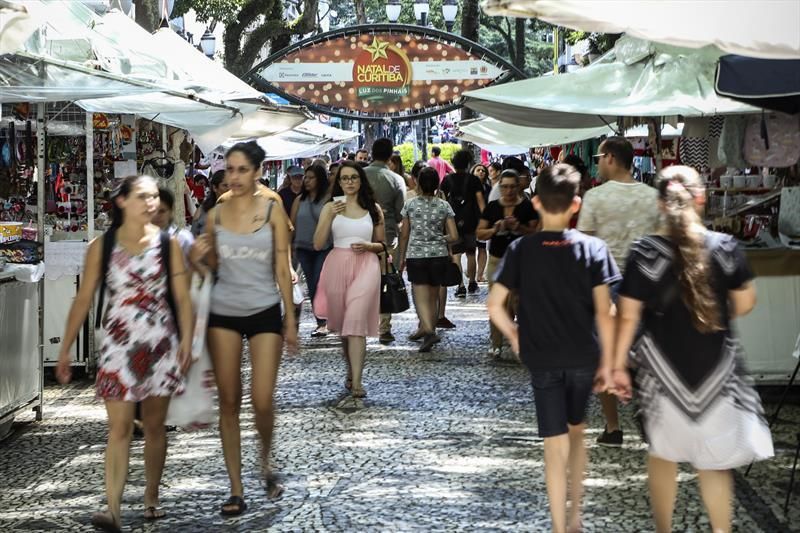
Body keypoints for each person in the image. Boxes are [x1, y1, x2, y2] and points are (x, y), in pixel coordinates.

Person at [611, 166, 772, 533]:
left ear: (660, 204)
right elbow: (746, 302)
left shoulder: (644, 252)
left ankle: (664, 530)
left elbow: (627, 314)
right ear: (701, 198)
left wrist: (619, 365)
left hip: (659, 372)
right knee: (714, 464)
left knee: (663, 455)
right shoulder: (727, 248)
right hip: (716, 369)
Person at [56, 174, 194, 532]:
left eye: (153, 198)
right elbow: (83, 299)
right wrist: (66, 348)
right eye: (142, 197)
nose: (151, 203)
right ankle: (113, 509)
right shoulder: (101, 246)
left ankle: (151, 495)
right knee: (118, 428)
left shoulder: (168, 245)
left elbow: (182, 298)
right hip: (118, 346)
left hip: (161, 344)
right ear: (122, 202)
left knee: (153, 426)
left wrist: (188, 343)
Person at [487, 164, 618, 533]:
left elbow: (495, 304)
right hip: (583, 354)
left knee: (553, 442)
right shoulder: (594, 249)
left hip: (541, 356)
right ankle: (575, 515)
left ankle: (560, 526)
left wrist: (514, 336)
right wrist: (610, 361)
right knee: (577, 432)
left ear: (538, 202)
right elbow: (606, 312)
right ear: (576, 204)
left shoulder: (521, 249)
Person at [190, 141, 297, 515]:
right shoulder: (216, 214)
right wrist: (199, 258)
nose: (232, 177)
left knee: (263, 399)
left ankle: (265, 460)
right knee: (230, 402)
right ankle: (236, 488)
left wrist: (291, 319)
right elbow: (211, 267)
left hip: (265, 309)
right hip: (224, 312)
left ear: (257, 172)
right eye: (229, 170)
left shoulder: (272, 209)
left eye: (241, 170)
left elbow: (283, 267)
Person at [576, 136, 660, 447]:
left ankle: (613, 428)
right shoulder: (653, 196)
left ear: (611, 158)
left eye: (599, 157)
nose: (596, 164)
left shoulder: (595, 198)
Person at [313, 161, 384, 398]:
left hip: (366, 265)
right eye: (345, 178)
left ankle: (358, 382)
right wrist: (328, 217)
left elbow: (383, 245)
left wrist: (369, 246)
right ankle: (351, 370)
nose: (350, 182)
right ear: (339, 182)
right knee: (345, 327)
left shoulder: (373, 208)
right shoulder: (331, 207)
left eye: (354, 177)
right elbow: (318, 243)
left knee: (355, 322)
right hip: (337, 265)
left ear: (361, 180)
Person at [476, 169, 538, 359]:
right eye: (505, 187)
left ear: (518, 187)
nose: (509, 191)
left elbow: (536, 233)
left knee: (519, 301)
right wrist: (496, 228)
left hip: (521, 260)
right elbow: (479, 233)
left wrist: (518, 227)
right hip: (497, 259)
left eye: (512, 187)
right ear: (500, 187)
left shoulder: (527, 207)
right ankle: (496, 344)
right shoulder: (493, 207)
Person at [398, 166, 459, 352]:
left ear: (417, 182)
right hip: (439, 255)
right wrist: (440, 238)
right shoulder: (444, 206)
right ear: (437, 184)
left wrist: (401, 257)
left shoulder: (410, 204)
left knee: (419, 298)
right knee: (433, 298)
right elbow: (454, 236)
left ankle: (429, 331)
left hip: (417, 255)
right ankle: (428, 330)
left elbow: (404, 234)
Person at [364, 138, 406, 344]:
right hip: (387, 236)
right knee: (384, 280)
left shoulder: (359, 175)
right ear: (390, 156)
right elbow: (401, 214)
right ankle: (384, 327)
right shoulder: (396, 179)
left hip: (359, 233)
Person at [290, 164, 331, 337]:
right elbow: (291, 224)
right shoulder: (299, 200)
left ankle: (323, 320)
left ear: (320, 179)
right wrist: (289, 247)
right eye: (306, 177)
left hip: (323, 248)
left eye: (311, 177)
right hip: (303, 248)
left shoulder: (328, 199)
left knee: (317, 281)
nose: (306, 181)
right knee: (311, 284)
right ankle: (321, 320)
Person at [441, 149, 485, 297]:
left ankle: (460, 286)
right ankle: (472, 282)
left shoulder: (447, 180)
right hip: (471, 221)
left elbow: (441, 199)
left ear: (454, 163)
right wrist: (485, 219)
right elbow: (480, 202)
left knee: (456, 255)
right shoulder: (474, 180)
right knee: (471, 253)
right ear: (468, 164)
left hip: (452, 221)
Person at [191, 170, 229, 236]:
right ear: (215, 188)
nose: (229, 189)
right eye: (225, 185)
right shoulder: (202, 210)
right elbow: (193, 236)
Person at [471, 163, 491, 283]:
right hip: (470, 221)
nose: (481, 172)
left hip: (483, 221)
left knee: (482, 248)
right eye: (478, 170)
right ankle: (471, 272)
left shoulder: (488, 188)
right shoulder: (468, 187)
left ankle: (480, 275)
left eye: (483, 170)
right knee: (471, 249)